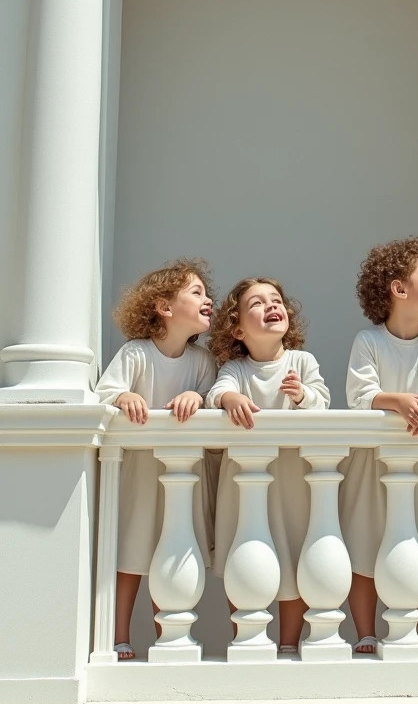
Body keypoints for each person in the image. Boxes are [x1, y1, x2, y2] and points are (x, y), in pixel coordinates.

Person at [339, 236, 418, 654]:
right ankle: (365, 633)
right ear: (399, 289)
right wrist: (400, 402)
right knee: (365, 543)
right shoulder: (369, 341)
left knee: (417, 544)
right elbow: (361, 395)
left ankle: (409, 629)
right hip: (372, 464)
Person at [95, 258, 216, 661]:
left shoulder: (202, 363)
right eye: (196, 292)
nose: (208, 299)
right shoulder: (136, 354)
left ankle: (168, 634)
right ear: (165, 307)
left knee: (174, 551)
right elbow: (105, 392)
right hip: (140, 474)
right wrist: (123, 396)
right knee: (131, 553)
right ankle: (119, 636)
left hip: (184, 477)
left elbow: (211, 398)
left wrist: (196, 397)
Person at [206, 276, 330, 653]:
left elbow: (322, 401)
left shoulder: (301, 362)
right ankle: (248, 639)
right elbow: (217, 392)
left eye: (275, 300)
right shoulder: (236, 369)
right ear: (238, 328)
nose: (271, 306)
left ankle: (289, 645)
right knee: (244, 554)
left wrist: (302, 394)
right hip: (244, 481)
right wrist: (229, 399)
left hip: (292, 479)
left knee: (292, 556)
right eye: (257, 303)